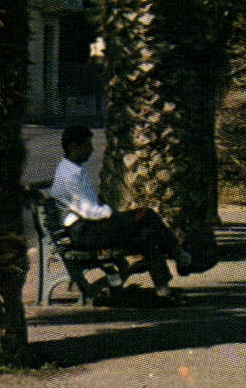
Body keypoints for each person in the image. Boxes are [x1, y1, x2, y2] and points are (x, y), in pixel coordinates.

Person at [50, 124, 197, 302]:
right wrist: (114, 215)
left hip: (91, 227)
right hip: (85, 232)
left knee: (147, 234)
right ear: (74, 147)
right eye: (88, 145)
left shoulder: (72, 170)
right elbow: (89, 211)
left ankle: (163, 289)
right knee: (147, 215)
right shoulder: (70, 174)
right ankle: (180, 256)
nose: (92, 149)